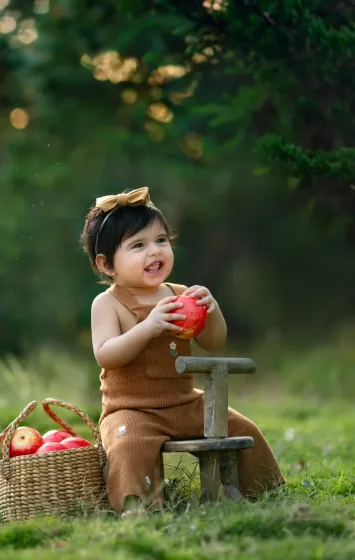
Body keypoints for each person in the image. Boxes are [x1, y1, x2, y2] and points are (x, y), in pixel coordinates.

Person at [80, 186, 285, 516]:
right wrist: (148, 327)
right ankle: (139, 507)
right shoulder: (108, 304)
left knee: (243, 430)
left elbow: (214, 341)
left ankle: (263, 490)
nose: (154, 252)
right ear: (106, 264)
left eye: (161, 240)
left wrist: (212, 309)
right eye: (138, 245)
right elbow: (106, 354)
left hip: (185, 401)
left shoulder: (179, 295)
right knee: (128, 446)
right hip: (132, 409)